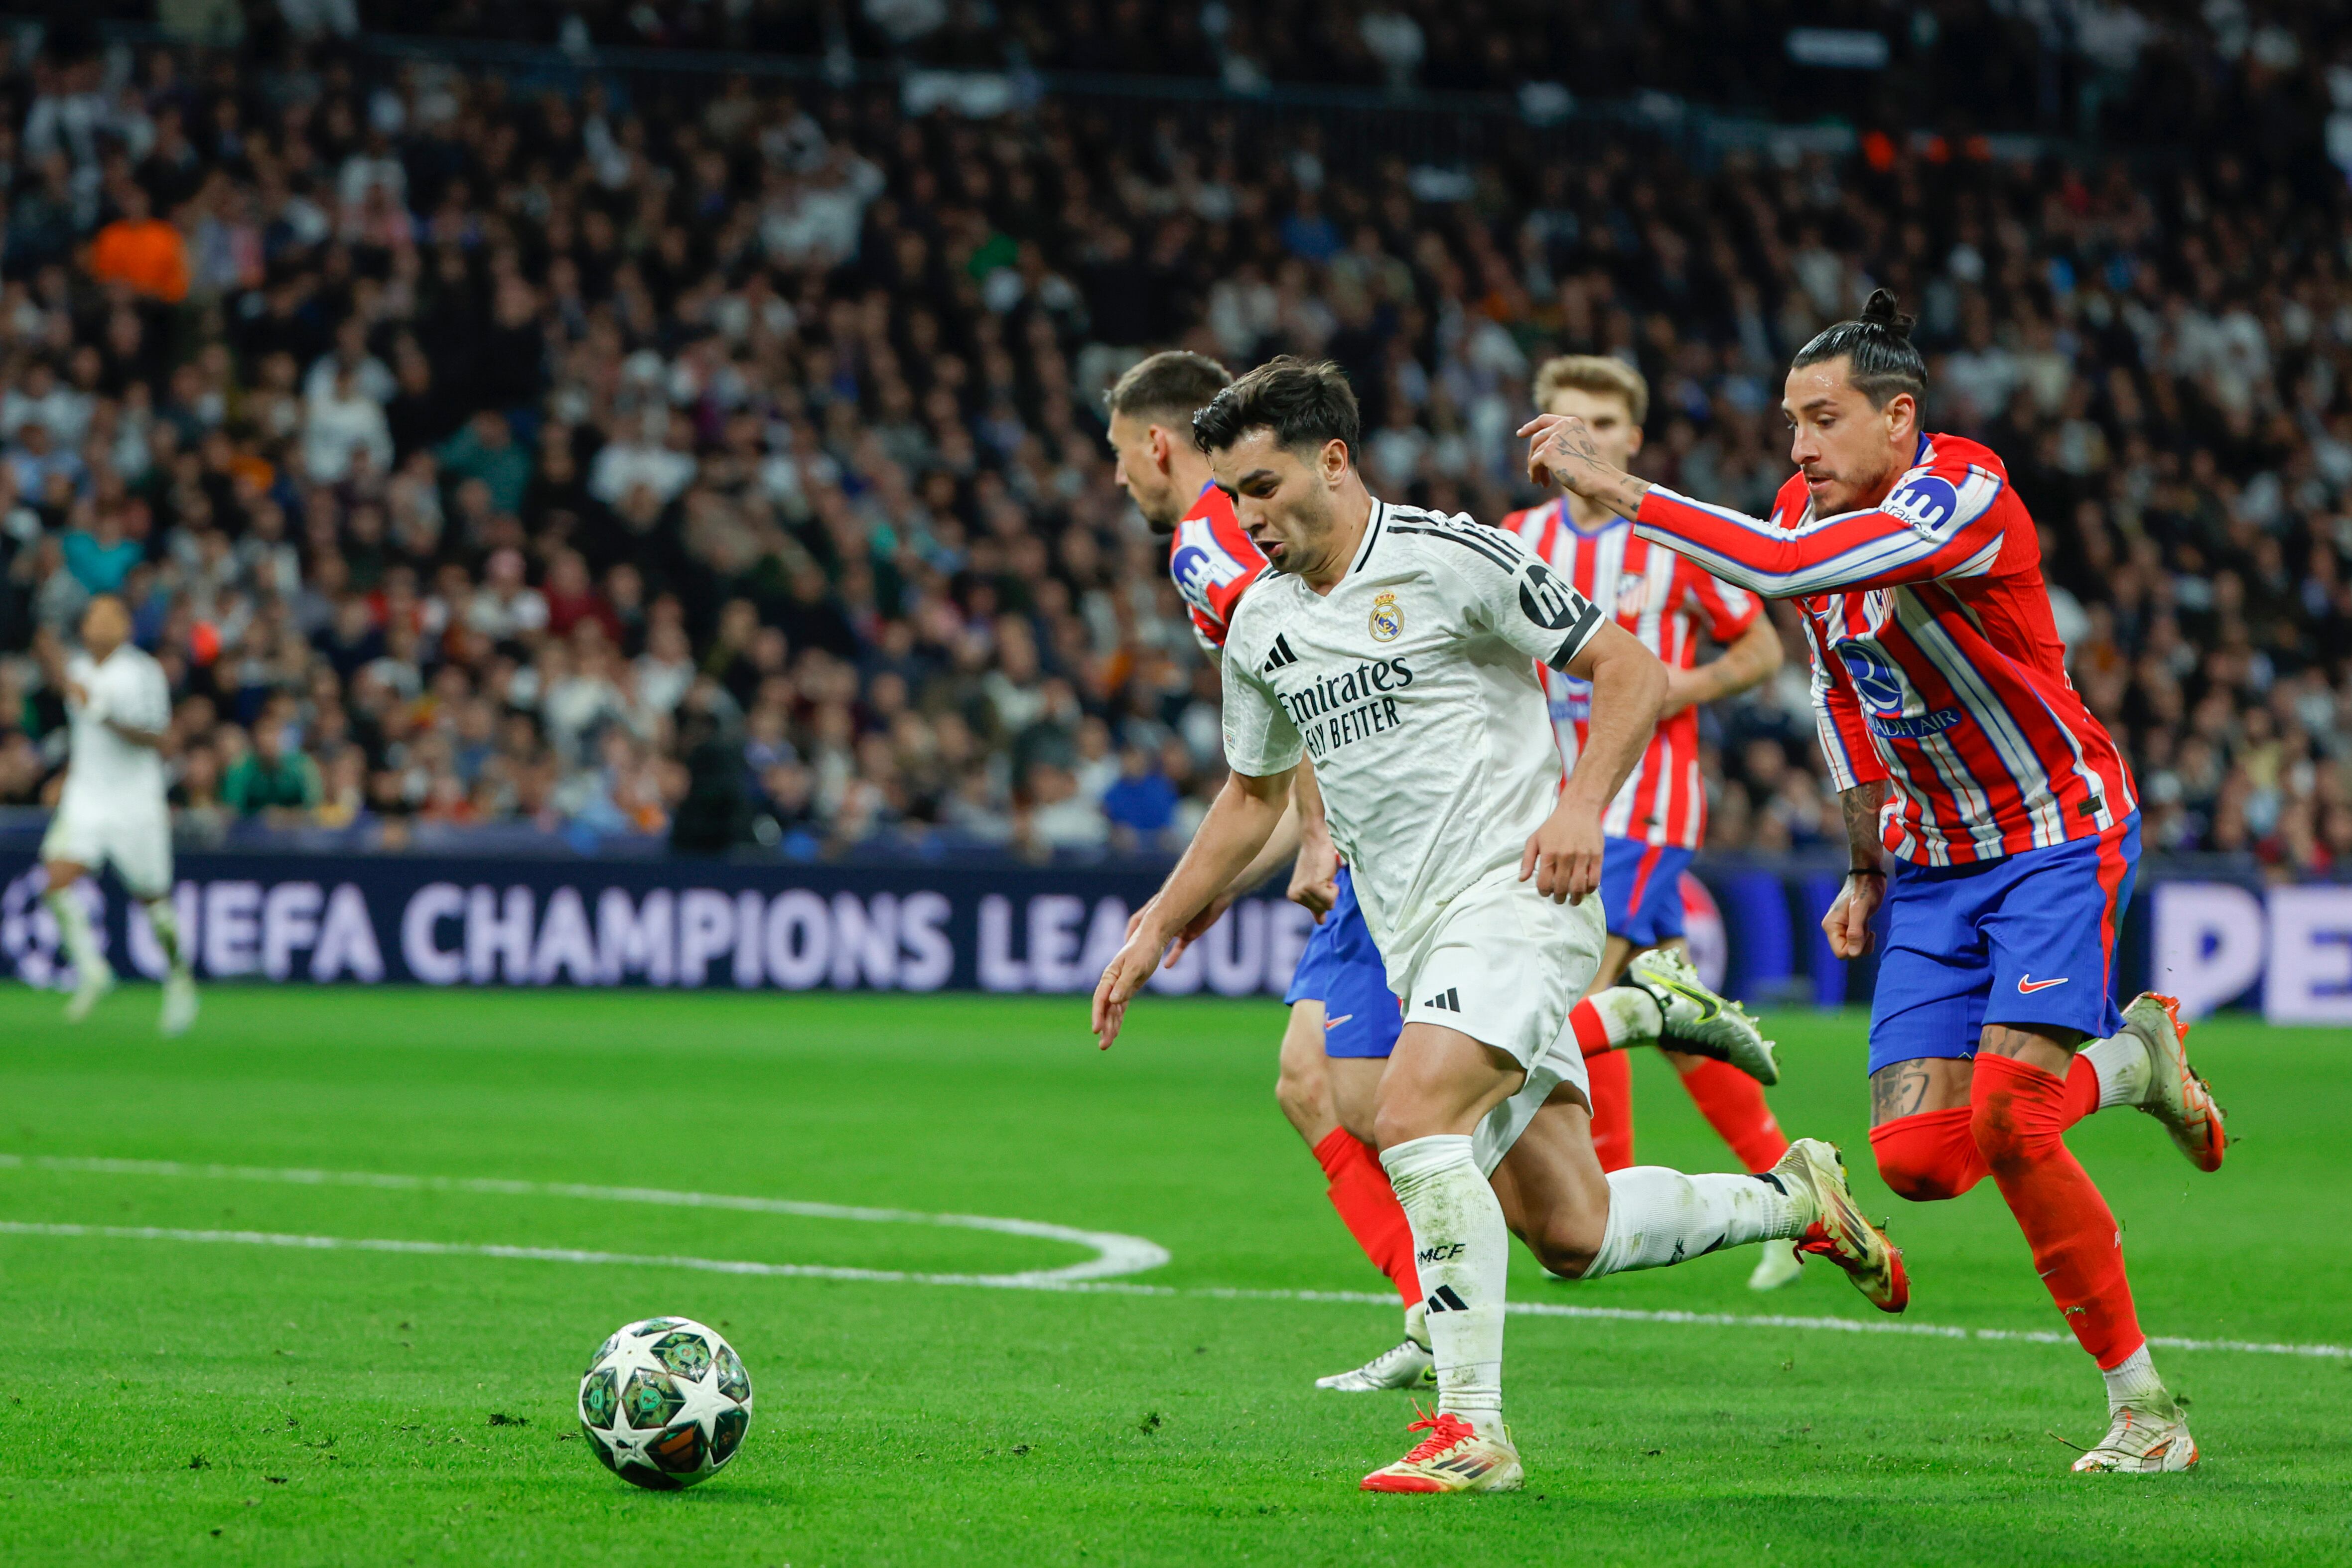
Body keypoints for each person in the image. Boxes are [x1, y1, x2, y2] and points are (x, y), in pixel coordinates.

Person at [1096, 358, 1903, 1495]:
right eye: (1232, 495)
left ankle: (1470, 1427)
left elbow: (1621, 667)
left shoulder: (1448, 555)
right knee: (1569, 1229)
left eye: (1266, 486)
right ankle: (1793, 1193)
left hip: (1522, 896)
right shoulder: (1261, 624)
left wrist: (1581, 806)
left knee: (1406, 1107)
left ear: (1335, 458)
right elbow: (1253, 796)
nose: (1249, 517)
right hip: (1417, 930)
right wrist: (1153, 927)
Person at [1520, 290, 2227, 1475]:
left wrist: (1622, 492)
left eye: (1822, 417)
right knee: (1917, 1159)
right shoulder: (1810, 508)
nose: (1797, 446)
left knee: (2009, 1119)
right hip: (1938, 862)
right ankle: (2132, 1061)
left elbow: (1789, 570)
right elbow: (1841, 690)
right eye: (1790, 419)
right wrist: (1864, 861)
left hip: (2054, 829)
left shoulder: (1961, 492)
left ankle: (2144, 1407)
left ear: (1899, 418)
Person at [1498, 356, 1801, 1291]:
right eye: (1559, 418)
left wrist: (1671, 688)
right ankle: (1794, 1193)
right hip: (1553, 795)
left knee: (1579, 986)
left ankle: (1601, 1195)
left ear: (1630, 440)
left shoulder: (1665, 542)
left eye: (1598, 420)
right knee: (1669, 1020)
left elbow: (1758, 647)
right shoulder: (1517, 536)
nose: (1576, 433)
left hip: (1644, 801)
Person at [36, 596, 198, 1034]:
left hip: (135, 802)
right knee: (55, 881)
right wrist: (65, 776)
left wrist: (100, 708)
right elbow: (85, 737)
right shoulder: (78, 669)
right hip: (87, 796)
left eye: (110, 616)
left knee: (153, 900)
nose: (99, 624)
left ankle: (179, 979)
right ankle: (93, 972)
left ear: (126, 626)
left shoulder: (141, 672)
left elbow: (155, 737)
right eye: (92, 616)